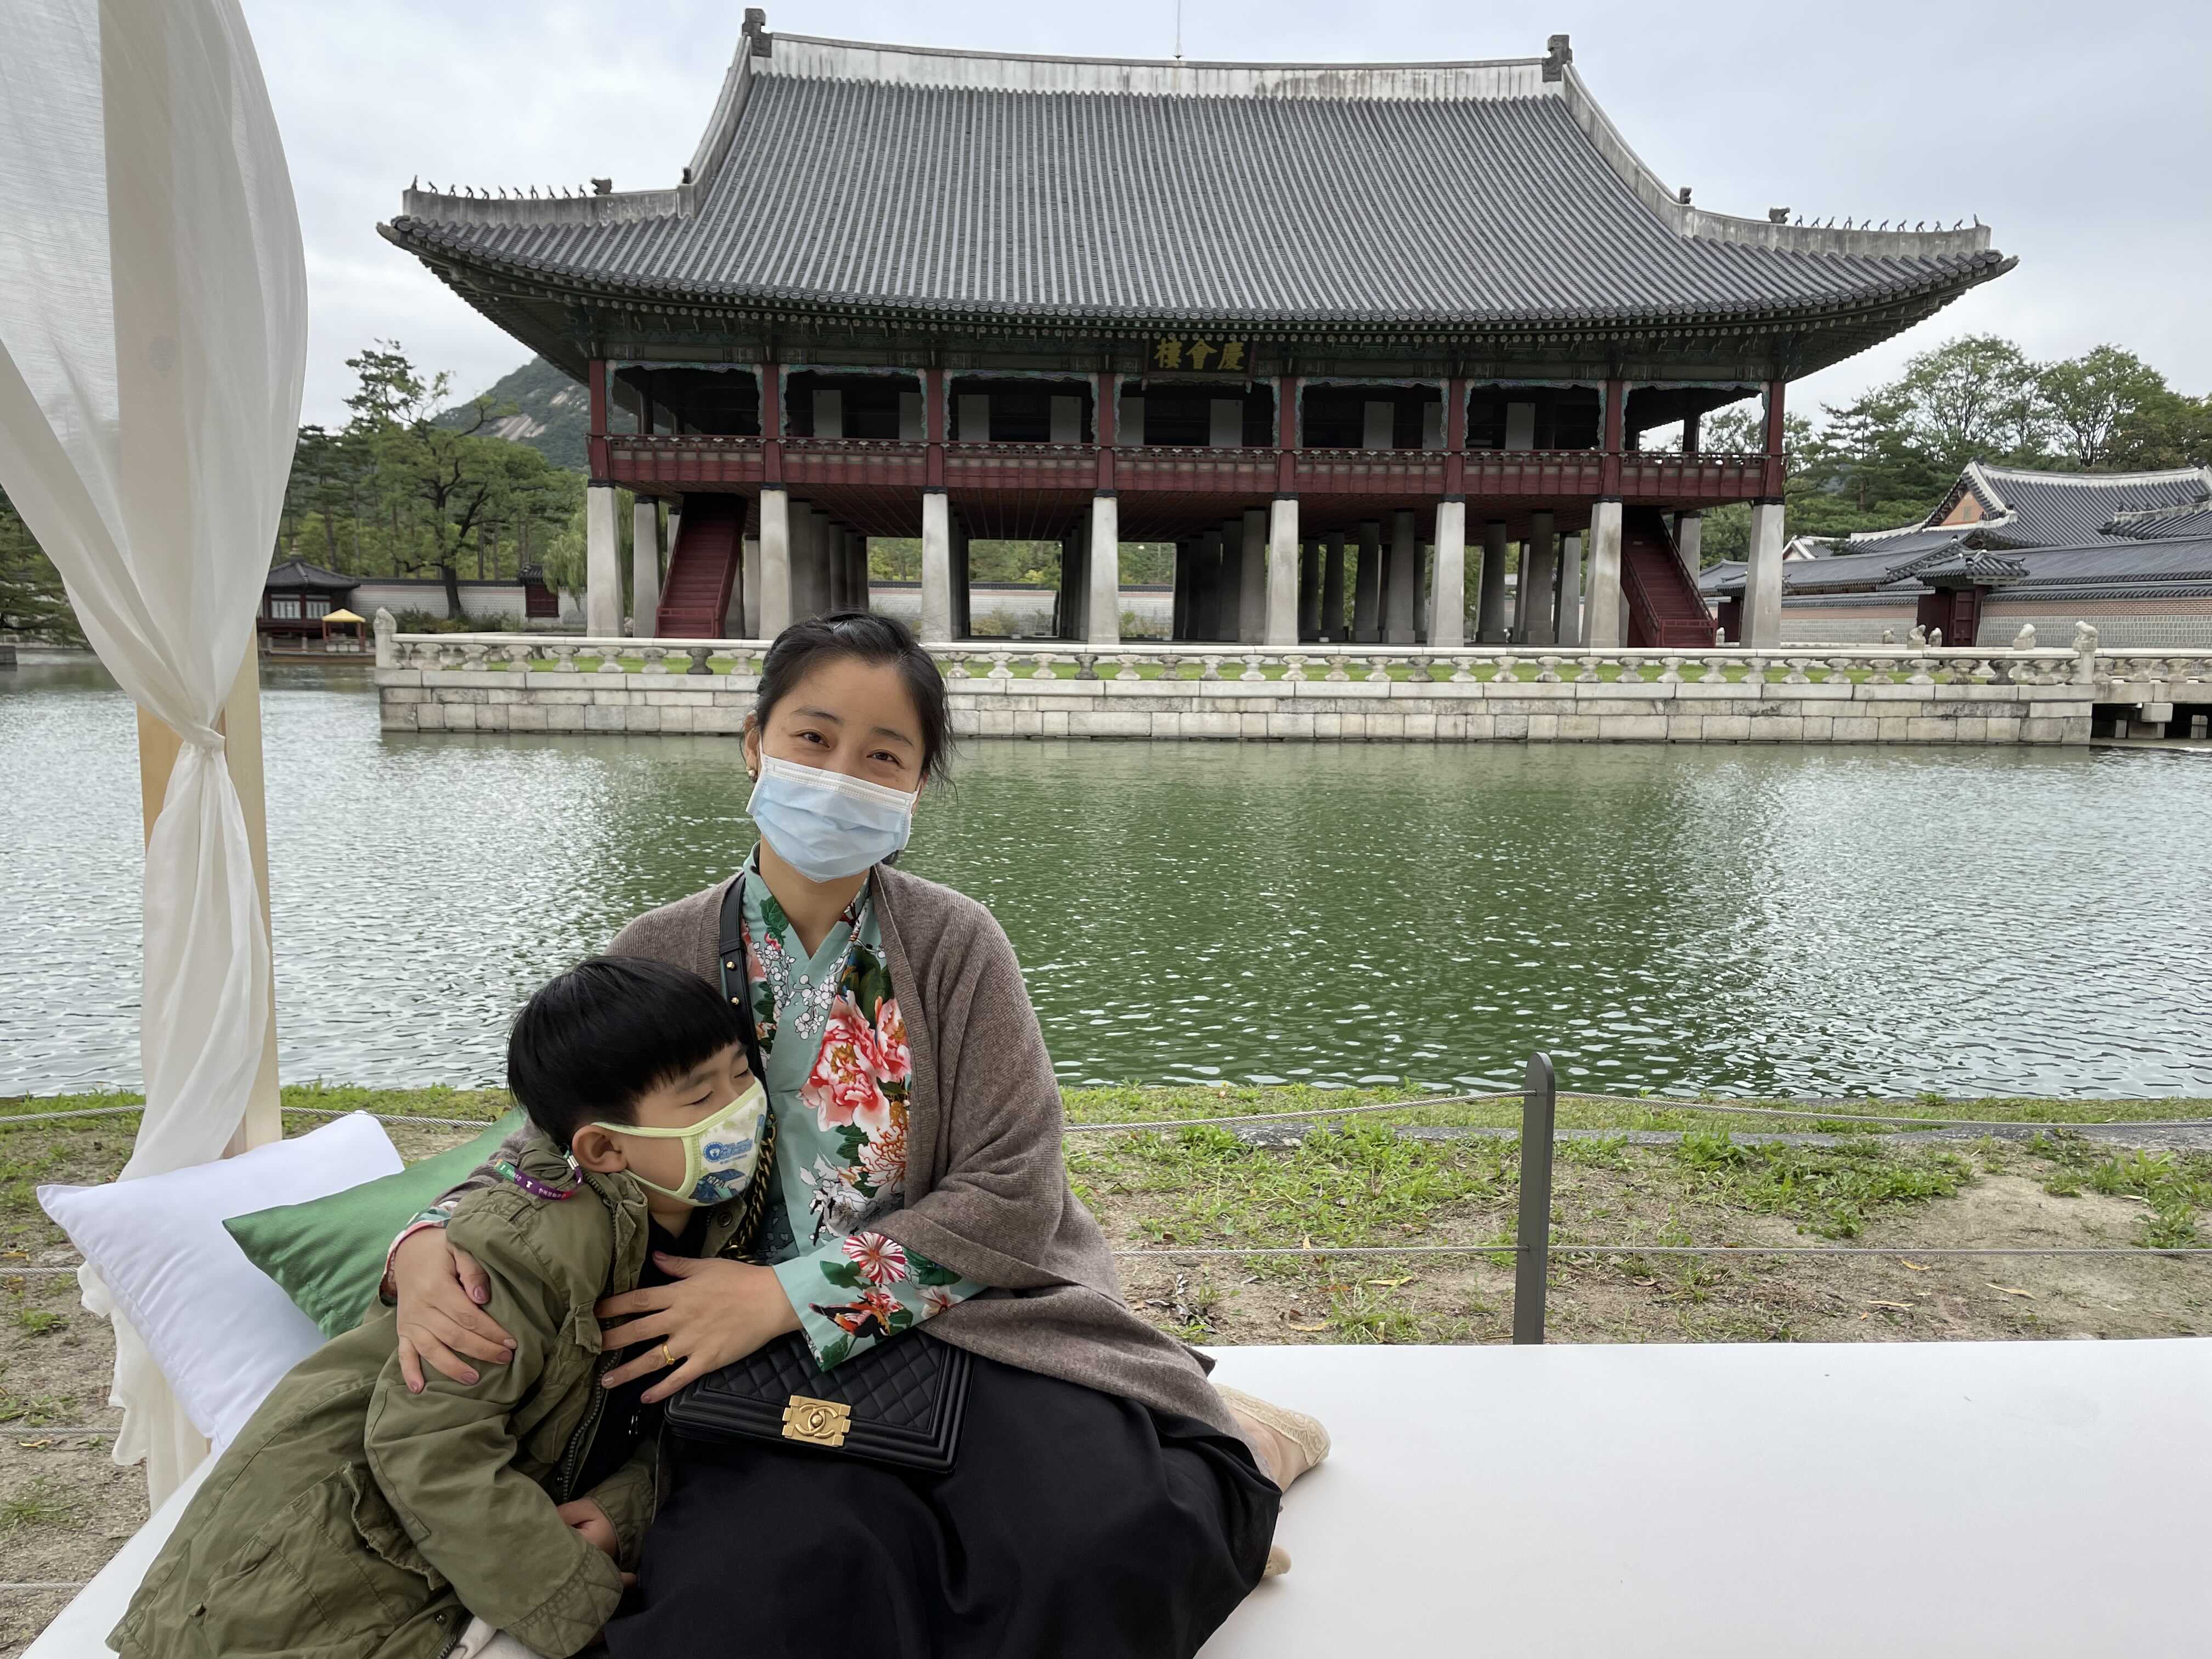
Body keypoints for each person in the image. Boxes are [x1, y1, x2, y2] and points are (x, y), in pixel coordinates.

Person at [389, 612, 1328, 1659]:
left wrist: (791, 1292)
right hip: (738, 1356)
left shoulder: (956, 942)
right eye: (812, 737)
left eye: (883, 755)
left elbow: (1014, 1192)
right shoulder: (661, 945)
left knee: (1107, 1548)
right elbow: (563, 1135)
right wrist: (426, 1238)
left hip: (969, 1319)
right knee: (761, 1601)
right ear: (754, 742)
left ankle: (1244, 1439)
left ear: (916, 785)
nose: (839, 775)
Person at [109, 954, 775, 1659]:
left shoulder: (712, 1221)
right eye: (700, 1099)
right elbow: (428, 1445)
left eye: (741, 1073)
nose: (740, 1105)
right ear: (603, 1147)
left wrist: (622, 1510)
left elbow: (651, 1416)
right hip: (310, 1554)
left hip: (454, 1532)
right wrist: (578, 1600)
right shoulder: (524, 1251)